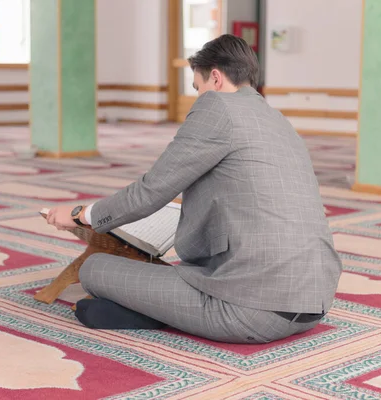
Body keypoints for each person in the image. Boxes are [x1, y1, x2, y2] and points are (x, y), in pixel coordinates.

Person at [46, 34, 342, 344]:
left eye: (197, 87)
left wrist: (82, 215)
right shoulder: (277, 118)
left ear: (215, 78)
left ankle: (159, 313)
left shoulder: (217, 106)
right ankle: (161, 311)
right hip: (314, 302)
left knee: (94, 269)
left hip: (251, 310)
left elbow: (151, 191)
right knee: (173, 274)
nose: (198, 96)